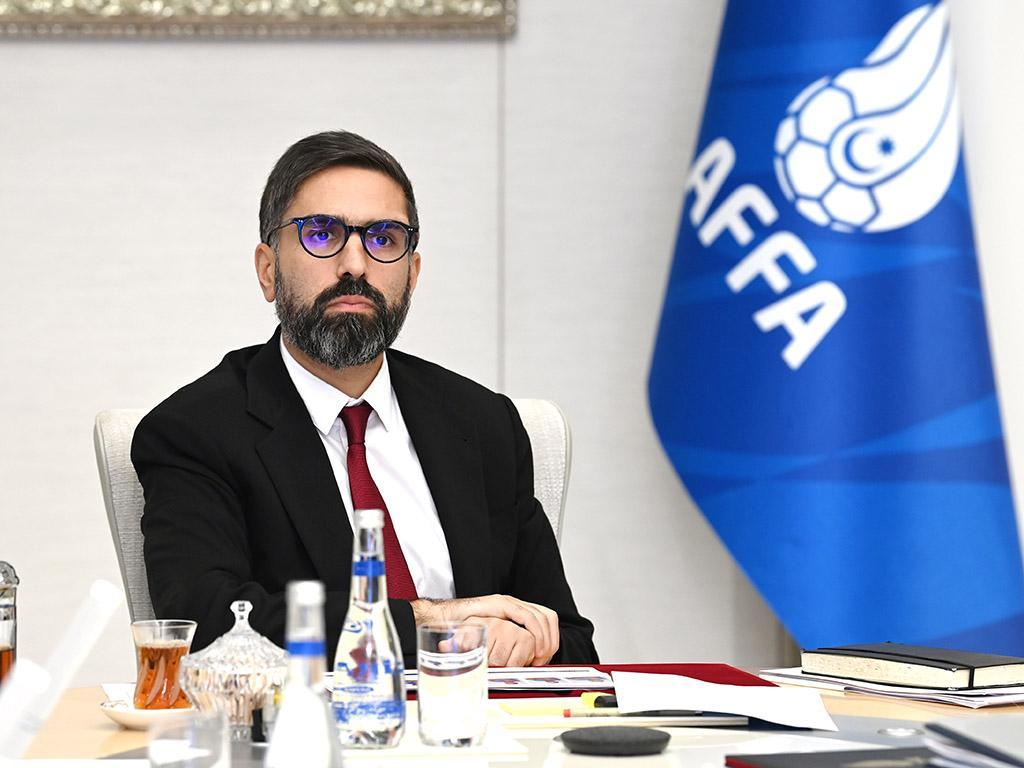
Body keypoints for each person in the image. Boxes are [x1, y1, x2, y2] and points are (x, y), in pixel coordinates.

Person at [131, 130, 598, 668]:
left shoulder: (483, 422)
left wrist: (532, 639)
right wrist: (428, 621)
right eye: (321, 233)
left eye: (383, 239)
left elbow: (570, 639)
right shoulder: (195, 431)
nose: (355, 264)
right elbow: (206, 626)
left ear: (412, 274)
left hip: (476, 717)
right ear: (268, 269)